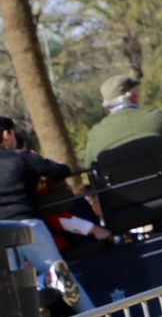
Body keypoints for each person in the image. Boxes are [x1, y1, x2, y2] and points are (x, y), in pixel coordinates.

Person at [0, 117, 92, 314]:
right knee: (68, 279)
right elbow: (61, 169)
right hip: (30, 226)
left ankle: (45, 282)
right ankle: (50, 278)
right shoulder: (22, 157)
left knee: (15, 293)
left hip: (1, 233)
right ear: (6, 135)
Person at [83, 76, 162, 168]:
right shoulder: (160, 118)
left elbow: (91, 174)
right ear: (133, 97)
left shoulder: (95, 135)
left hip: (118, 189)